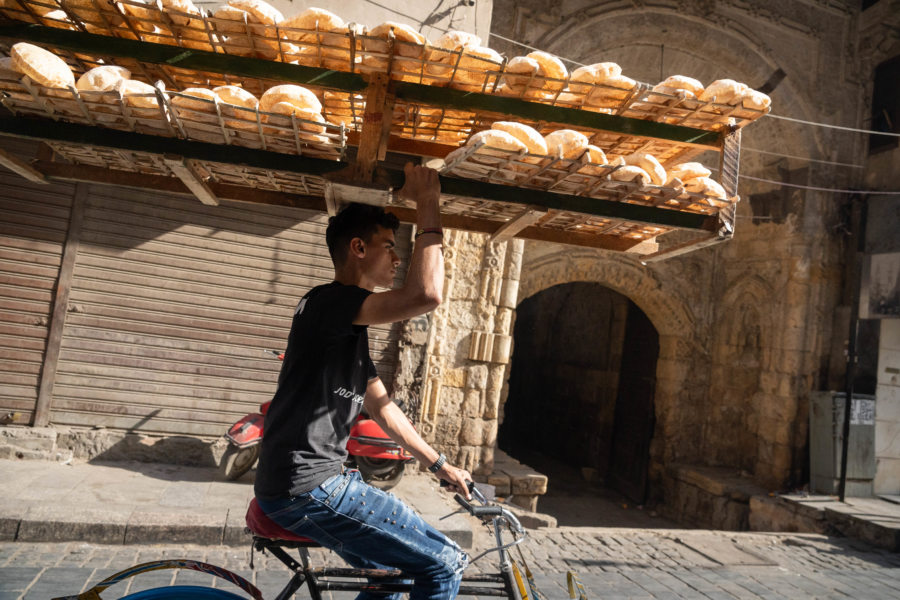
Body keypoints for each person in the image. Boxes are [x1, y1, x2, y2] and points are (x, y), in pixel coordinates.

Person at [254, 163, 472, 600]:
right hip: (308, 485)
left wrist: (439, 464)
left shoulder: (342, 329)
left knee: (395, 573)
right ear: (357, 248)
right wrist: (428, 201)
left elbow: (384, 409)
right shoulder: (330, 303)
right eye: (389, 247)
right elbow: (426, 295)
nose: (397, 258)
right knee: (444, 562)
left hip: (306, 482)